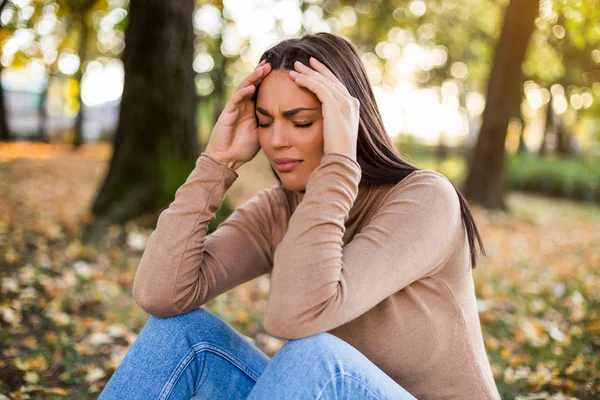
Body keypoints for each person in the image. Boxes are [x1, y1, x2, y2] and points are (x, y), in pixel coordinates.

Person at [98, 32, 501, 399]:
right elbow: (160, 294)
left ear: (347, 120)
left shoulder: (425, 198)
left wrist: (339, 165)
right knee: (180, 333)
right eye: (264, 122)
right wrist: (215, 164)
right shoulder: (280, 208)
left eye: (301, 121)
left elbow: (297, 317)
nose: (276, 141)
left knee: (314, 352)